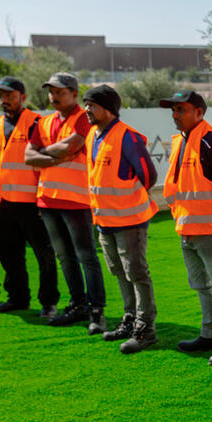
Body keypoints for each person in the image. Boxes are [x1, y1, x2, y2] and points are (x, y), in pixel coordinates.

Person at [159, 89, 212, 362]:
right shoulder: (180, 141)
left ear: (199, 112)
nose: (175, 115)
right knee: (201, 285)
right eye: (174, 110)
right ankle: (209, 334)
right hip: (187, 229)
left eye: (181, 110)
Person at [25, 72, 106, 333]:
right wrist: (53, 156)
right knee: (65, 257)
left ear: (74, 93)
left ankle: (96, 310)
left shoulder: (83, 118)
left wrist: (43, 153)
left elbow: (74, 145)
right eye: (51, 92)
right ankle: (77, 304)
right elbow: (29, 156)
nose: (54, 96)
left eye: (60, 92)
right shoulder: (44, 121)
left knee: (86, 256)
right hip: (48, 200)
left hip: (77, 200)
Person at [83, 85, 159, 354]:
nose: (86, 110)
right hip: (105, 222)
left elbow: (149, 176)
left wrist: (127, 200)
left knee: (137, 273)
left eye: (91, 105)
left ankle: (145, 328)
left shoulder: (127, 137)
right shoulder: (93, 134)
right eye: (86, 104)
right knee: (119, 271)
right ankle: (129, 319)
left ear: (108, 108)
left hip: (130, 221)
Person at [0, 76, 59, 317]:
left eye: (10, 96)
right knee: (9, 255)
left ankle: (48, 302)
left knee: (44, 256)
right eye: (0, 96)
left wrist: (44, 200)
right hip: (2, 203)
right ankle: (17, 298)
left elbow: (48, 165)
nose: (4, 100)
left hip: (32, 204)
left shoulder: (38, 123)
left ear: (22, 97)